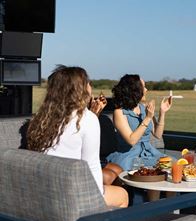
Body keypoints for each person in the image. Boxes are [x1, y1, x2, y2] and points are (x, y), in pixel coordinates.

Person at [26, 65, 128, 207]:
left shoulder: (41, 119)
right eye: (88, 83)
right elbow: (91, 165)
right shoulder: (87, 119)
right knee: (122, 195)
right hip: (72, 194)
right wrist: (96, 199)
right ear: (80, 89)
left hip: (44, 189)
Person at [106, 74, 172, 171]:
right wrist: (147, 118)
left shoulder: (144, 108)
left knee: (175, 165)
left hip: (150, 153)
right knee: (144, 171)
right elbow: (131, 141)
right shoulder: (119, 113)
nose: (146, 90)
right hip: (129, 156)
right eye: (143, 87)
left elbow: (158, 134)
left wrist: (162, 112)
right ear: (134, 91)